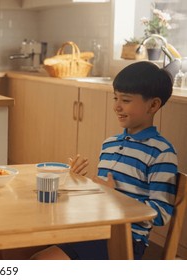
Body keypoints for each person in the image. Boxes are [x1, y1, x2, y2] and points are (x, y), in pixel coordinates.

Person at [31, 61, 178, 260]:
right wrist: (76, 181)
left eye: (125, 100)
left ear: (153, 105)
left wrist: (115, 196)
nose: (117, 106)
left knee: (39, 261)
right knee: (25, 246)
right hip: (94, 229)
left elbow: (161, 214)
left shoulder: (161, 152)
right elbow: (100, 199)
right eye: (116, 98)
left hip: (125, 241)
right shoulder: (109, 145)